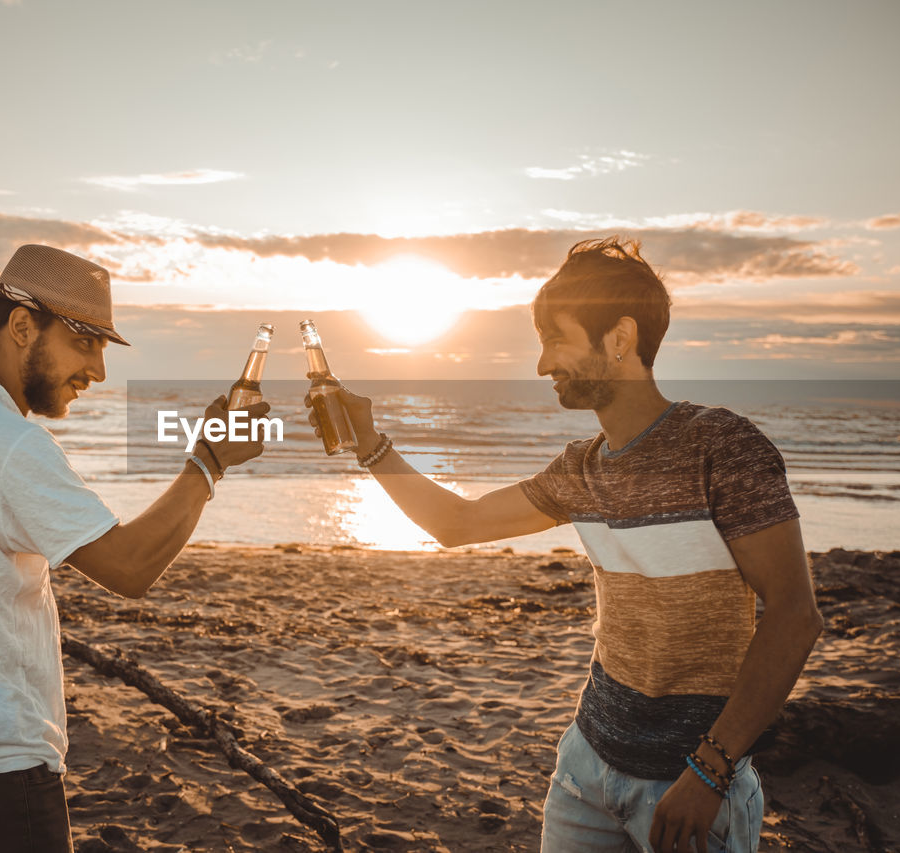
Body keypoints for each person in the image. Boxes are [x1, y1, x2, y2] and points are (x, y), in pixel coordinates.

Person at [306, 237, 822, 853]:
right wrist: (369, 443)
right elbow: (457, 524)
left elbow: (794, 616)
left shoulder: (722, 448)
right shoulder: (580, 470)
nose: (542, 364)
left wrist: (711, 769)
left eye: (555, 338)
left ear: (620, 339)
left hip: (690, 788)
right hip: (585, 772)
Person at [0, 244, 268, 852]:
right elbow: (129, 567)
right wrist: (207, 461)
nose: (99, 370)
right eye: (85, 342)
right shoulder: (9, 441)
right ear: (23, 326)